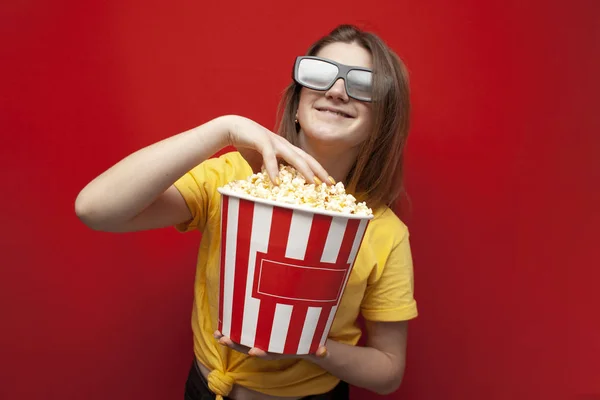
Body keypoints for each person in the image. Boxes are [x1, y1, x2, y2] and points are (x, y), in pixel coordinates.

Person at [75, 24, 418, 400]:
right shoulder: (233, 180)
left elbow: (388, 371)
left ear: (381, 120)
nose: (336, 91)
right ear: (298, 101)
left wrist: (309, 346)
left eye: (363, 84)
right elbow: (97, 210)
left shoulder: (383, 231)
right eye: (320, 75)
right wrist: (224, 128)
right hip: (205, 389)